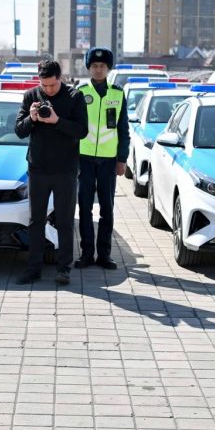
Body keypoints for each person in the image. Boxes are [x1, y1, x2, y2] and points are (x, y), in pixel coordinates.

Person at [13, 59, 88, 286]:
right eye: (44, 85)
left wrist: (57, 121)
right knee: (36, 220)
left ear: (60, 78)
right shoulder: (31, 96)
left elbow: (82, 131)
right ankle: (33, 269)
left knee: (64, 221)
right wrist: (32, 118)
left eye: (52, 85)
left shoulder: (74, 97)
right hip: (38, 169)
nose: (48, 90)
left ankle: (63, 268)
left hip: (65, 170)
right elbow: (19, 130)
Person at [74, 47, 129, 270]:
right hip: (84, 158)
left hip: (108, 161)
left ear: (108, 68)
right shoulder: (79, 92)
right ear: (89, 68)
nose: (98, 69)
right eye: (94, 66)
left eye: (102, 66)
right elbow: (73, 127)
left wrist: (122, 159)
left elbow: (123, 129)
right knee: (85, 208)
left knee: (107, 209)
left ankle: (104, 255)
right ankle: (87, 253)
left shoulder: (117, 93)